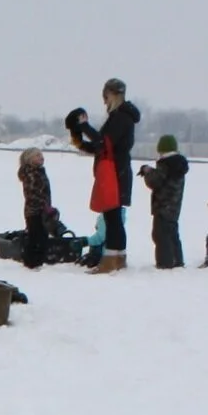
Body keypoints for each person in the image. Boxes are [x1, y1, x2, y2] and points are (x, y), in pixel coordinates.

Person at [66, 78, 140, 272]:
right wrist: (79, 141)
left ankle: (111, 260)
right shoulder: (119, 116)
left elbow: (103, 143)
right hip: (116, 170)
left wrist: (84, 126)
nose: (104, 101)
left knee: (112, 216)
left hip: (115, 172)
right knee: (112, 216)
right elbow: (99, 146)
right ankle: (117, 259)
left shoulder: (121, 117)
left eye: (105, 97)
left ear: (113, 95)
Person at [138, 134, 188, 269]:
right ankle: (177, 260)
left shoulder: (166, 164)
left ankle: (165, 262)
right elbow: (165, 178)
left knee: (160, 235)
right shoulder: (178, 164)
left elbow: (155, 182)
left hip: (163, 205)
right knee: (172, 233)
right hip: (174, 205)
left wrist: (147, 172)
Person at [17, 147, 54, 268]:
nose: (41, 157)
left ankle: (36, 261)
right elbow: (32, 193)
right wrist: (44, 205)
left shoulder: (39, 171)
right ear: (29, 159)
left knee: (41, 236)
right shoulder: (31, 173)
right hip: (34, 210)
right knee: (37, 237)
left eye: (41, 155)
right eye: (37, 155)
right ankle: (32, 262)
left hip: (41, 209)